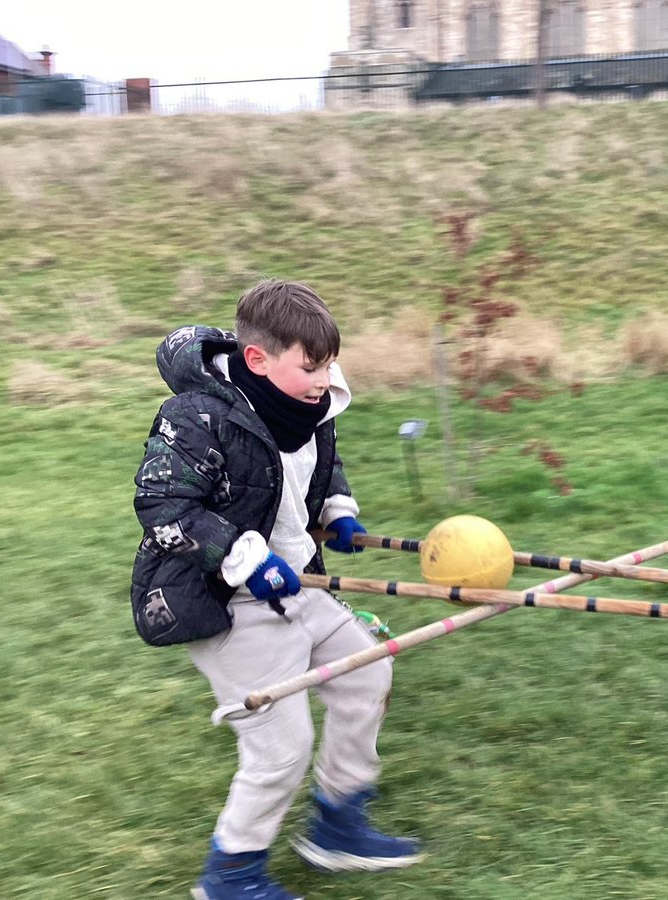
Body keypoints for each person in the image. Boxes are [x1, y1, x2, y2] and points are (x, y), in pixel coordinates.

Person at [130, 280, 422, 900]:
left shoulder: (310, 405)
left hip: (300, 583)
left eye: (329, 365)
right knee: (281, 749)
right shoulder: (196, 415)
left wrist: (337, 510)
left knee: (366, 675)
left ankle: (339, 826)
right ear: (258, 360)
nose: (324, 379)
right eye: (311, 367)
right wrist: (242, 558)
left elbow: (316, 464)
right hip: (225, 602)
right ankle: (230, 876)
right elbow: (164, 506)